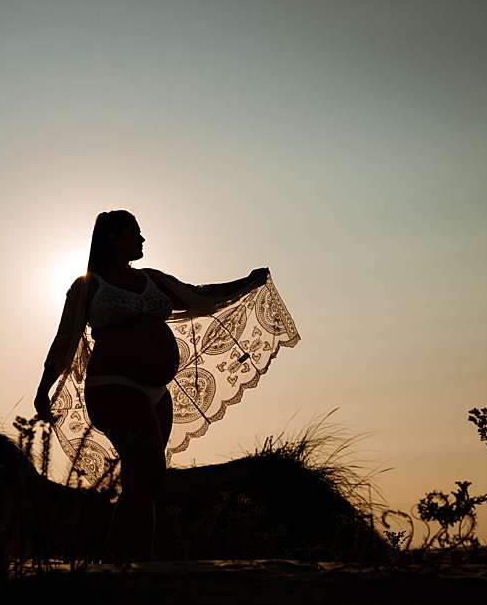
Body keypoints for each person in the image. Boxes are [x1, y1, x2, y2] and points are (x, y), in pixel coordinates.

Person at [32, 209, 296, 562]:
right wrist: (44, 388)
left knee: (146, 477)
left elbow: (200, 296)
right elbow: (65, 338)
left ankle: (133, 556)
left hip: (157, 392)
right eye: (135, 233)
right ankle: (122, 555)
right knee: (148, 466)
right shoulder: (88, 286)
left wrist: (246, 282)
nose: (142, 240)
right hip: (113, 385)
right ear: (113, 238)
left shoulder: (153, 279)